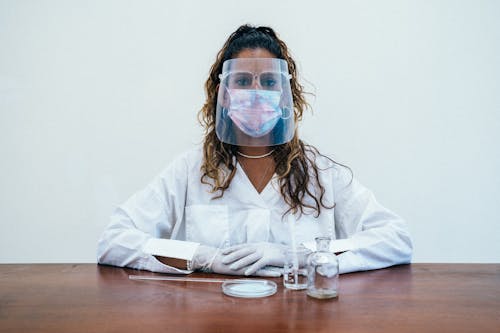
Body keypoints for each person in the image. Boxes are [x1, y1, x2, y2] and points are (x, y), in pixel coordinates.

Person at [97, 25, 412, 277]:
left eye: (270, 82)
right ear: (223, 95)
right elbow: (114, 240)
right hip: (215, 321)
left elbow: (395, 240)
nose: (257, 93)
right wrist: (202, 257)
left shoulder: (321, 174)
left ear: (286, 95)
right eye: (244, 81)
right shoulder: (191, 170)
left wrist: (300, 255)